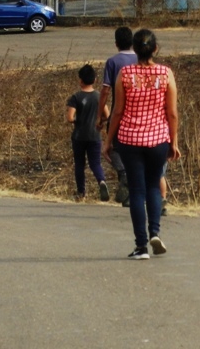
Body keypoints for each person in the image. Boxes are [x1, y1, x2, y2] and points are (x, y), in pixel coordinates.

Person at [102, 29, 180, 260]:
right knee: (154, 186)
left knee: (137, 190)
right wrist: (173, 141)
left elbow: (117, 111)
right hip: (158, 138)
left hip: (129, 138)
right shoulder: (166, 73)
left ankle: (141, 246)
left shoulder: (125, 74)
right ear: (155, 48)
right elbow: (172, 112)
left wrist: (108, 141)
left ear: (135, 49)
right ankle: (154, 232)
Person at [97, 26, 138, 206]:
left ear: (116, 43)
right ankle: (131, 192)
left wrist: (100, 115)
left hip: (118, 111)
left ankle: (123, 174)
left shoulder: (113, 62)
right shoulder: (140, 59)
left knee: (112, 146)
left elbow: (105, 90)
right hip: (140, 111)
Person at [66, 64, 110, 202]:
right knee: (95, 163)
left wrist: (78, 120)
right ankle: (101, 181)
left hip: (79, 136)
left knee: (80, 164)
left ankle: (81, 192)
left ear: (80, 80)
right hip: (95, 135)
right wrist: (100, 121)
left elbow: (70, 118)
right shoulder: (98, 96)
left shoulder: (76, 97)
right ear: (95, 80)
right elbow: (107, 115)